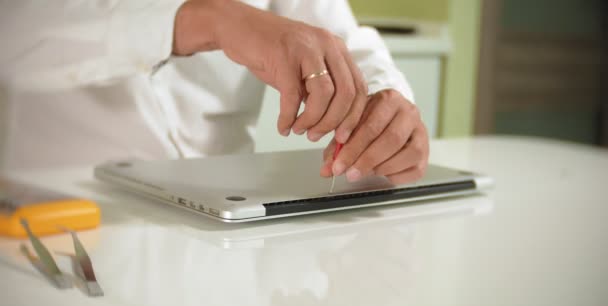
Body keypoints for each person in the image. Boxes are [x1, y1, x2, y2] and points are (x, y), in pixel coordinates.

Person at [0, 0, 428, 184]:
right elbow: (13, 33)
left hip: (230, 230)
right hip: (60, 216)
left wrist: (383, 109)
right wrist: (208, 20)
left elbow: (340, 38)